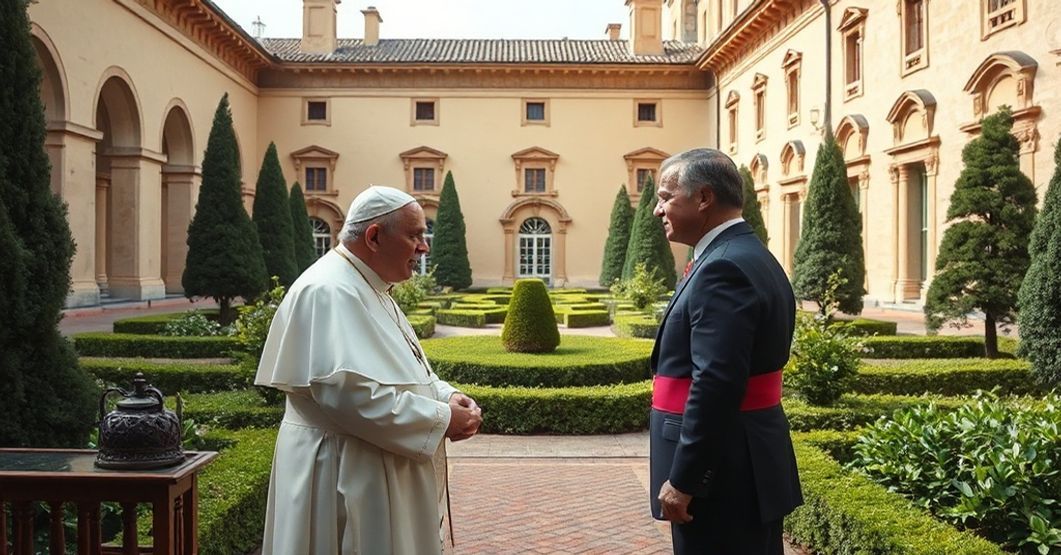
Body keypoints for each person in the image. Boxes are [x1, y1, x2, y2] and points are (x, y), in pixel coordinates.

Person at [254, 185, 483, 555]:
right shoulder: (330, 290)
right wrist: (441, 419)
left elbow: (404, 368)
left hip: (372, 465)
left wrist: (446, 395)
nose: (424, 247)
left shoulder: (370, 287)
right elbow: (347, 394)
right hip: (343, 474)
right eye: (415, 236)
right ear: (375, 237)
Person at [647, 148, 803, 554]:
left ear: (703, 198)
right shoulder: (746, 254)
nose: (657, 210)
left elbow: (716, 382)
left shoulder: (723, 268)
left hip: (723, 472)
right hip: (746, 458)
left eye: (666, 197)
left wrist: (685, 480)